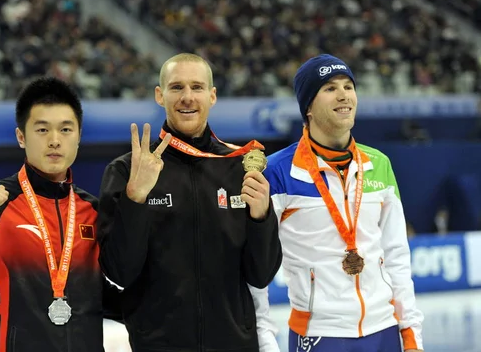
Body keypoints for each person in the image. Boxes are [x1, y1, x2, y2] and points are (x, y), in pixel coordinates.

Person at [97, 53, 283, 351]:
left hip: (234, 344)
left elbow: (261, 275)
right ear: (160, 95)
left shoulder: (240, 168)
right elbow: (119, 272)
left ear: (212, 96)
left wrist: (261, 218)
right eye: (176, 87)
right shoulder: (127, 170)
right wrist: (136, 199)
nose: (187, 97)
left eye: (197, 87)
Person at [0, 77, 120, 352]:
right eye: (42, 130)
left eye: (65, 129)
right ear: (21, 137)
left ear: (79, 136)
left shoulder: (91, 210)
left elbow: (93, 295)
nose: (54, 140)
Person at [253, 54, 424, 352]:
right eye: (330, 88)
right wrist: (265, 342)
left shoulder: (378, 164)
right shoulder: (276, 172)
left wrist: (411, 334)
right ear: (308, 106)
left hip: (385, 332)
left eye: (348, 86)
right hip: (319, 336)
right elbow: (256, 268)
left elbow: (397, 255)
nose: (344, 94)